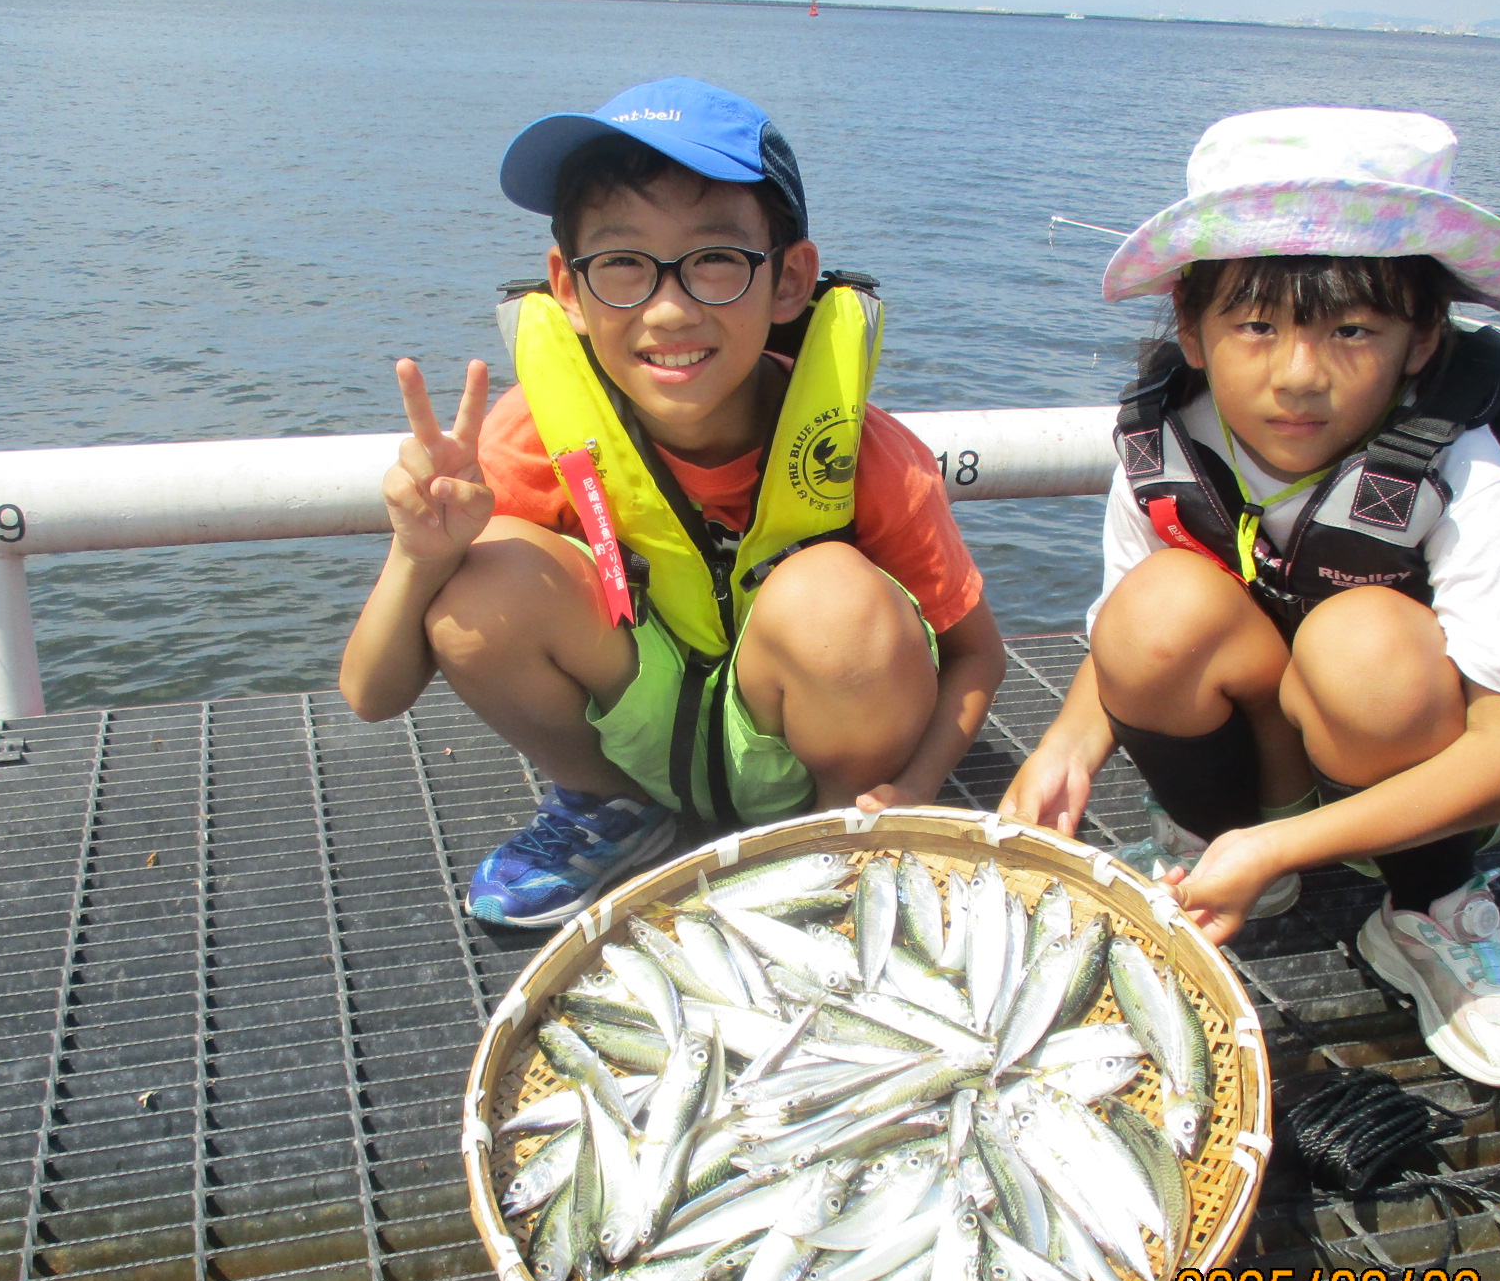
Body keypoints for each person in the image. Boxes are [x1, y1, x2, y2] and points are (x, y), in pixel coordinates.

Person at [1001, 107, 1500, 1090]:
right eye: (1254, 325)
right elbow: (1118, 647)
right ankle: (1215, 844)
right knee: (1149, 610)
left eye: (1351, 330)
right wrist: (1067, 747)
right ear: (1189, 326)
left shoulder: (1459, 470)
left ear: (1422, 338)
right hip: (1268, 751)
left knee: (1363, 643)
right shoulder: (1159, 443)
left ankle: (1426, 907)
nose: (1299, 376)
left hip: (1396, 759)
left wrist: (1287, 843)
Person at [341, 77, 1004, 928]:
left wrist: (907, 796)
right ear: (567, 289)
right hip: (646, 741)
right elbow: (370, 693)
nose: (668, 308)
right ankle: (612, 809)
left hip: (818, 765)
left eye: (715, 261)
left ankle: (833, 841)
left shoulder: (866, 453)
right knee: (481, 582)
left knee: (834, 597)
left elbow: (977, 656)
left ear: (792, 280)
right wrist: (420, 555)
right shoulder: (531, 434)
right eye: (621, 263)